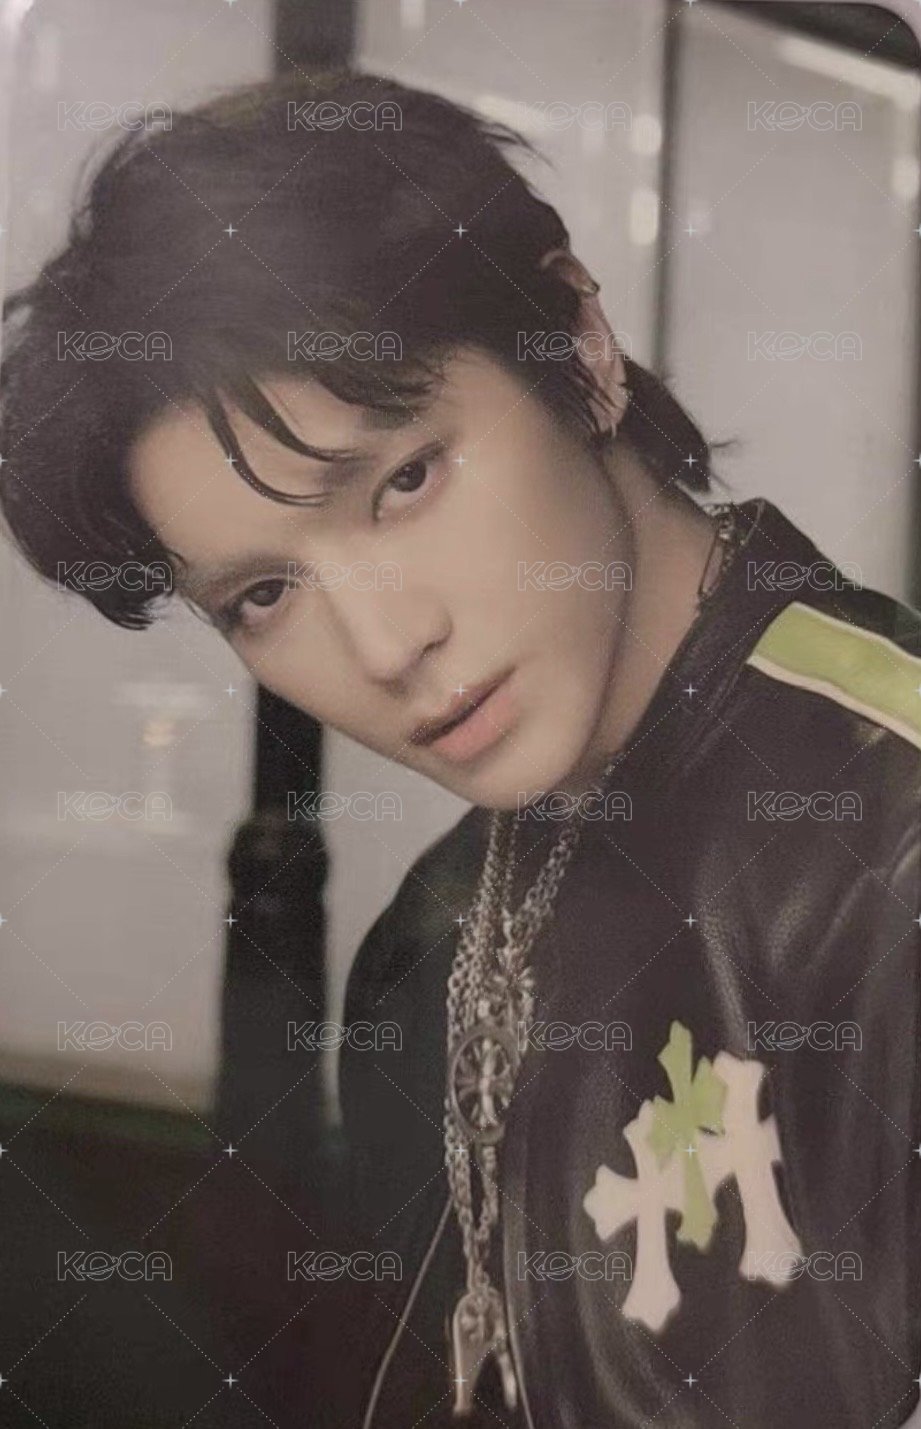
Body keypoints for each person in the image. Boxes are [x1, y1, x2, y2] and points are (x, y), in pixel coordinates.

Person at [1, 69, 919, 1429]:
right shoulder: (425, 941)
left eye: (404, 481)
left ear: (577, 346)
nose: (383, 646)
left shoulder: (886, 838)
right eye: (265, 595)